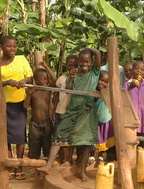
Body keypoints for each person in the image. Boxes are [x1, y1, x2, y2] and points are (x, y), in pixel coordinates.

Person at [37, 48, 101, 181]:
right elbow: (67, 89)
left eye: (87, 61)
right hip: (72, 109)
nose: (84, 64)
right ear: (78, 62)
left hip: (88, 112)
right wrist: (71, 78)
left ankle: (82, 171)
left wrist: (88, 49)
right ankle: (49, 165)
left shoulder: (95, 73)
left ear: (91, 62)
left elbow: (98, 54)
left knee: (85, 142)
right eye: (81, 61)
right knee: (59, 133)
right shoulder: (75, 74)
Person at [0, 36, 33, 180]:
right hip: (3, 105)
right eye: (9, 46)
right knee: (5, 137)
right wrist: (7, 82)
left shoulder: (21, 59)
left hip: (19, 104)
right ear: (1, 47)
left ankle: (19, 166)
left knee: (20, 136)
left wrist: (22, 81)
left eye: (14, 46)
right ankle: (9, 165)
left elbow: (30, 78)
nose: (12, 49)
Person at [23, 62, 56, 176]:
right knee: (34, 146)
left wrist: (46, 66)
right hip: (35, 124)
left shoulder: (47, 89)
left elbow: (55, 80)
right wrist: (28, 94)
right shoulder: (33, 91)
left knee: (47, 146)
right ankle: (35, 170)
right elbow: (25, 106)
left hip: (47, 123)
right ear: (36, 80)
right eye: (43, 79)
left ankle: (46, 168)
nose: (46, 81)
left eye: (46, 79)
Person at [52, 55, 79, 166]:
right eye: (70, 64)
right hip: (60, 110)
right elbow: (56, 95)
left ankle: (69, 158)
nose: (72, 67)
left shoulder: (80, 78)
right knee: (60, 135)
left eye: (75, 65)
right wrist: (53, 110)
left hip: (73, 111)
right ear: (66, 65)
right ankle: (63, 158)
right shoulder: (61, 79)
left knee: (71, 136)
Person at [123, 61, 144, 145]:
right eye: (136, 68)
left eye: (141, 69)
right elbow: (123, 99)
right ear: (132, 70)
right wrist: (131, 87)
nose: (138, 71)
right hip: (131, 121)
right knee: (131, 145)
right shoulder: (126, 84)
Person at [94, 70, 115, 163]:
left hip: (106, 119)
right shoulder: (93, 91)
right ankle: (92, 157)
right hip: (95, 120)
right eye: (101, 80)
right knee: (96, 139)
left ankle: (102, 157)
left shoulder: (108, 93)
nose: (103, 83)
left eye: (106, 82)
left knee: (104, 138)